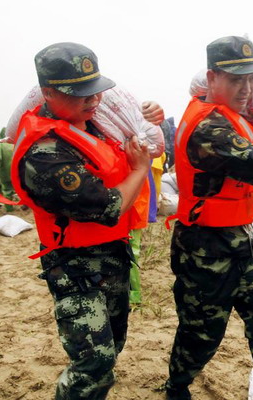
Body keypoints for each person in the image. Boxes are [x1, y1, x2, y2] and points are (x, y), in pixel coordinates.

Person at [11, 42, 150, 399]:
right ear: (47, 92)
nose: (92, 101)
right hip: (74, 267)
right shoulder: (44, 153)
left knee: (113, 345)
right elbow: (108, 206)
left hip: (113, 257)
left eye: (95, 91)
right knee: (94, 364)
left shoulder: (96, 126)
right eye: (79, 94)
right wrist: (140, 169)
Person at [164, 36, 253, 400]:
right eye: (236, 79)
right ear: (211, 78)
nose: (247, 88)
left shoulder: (233, 120)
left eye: (251, 80)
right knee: (201, 335)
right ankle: (177, 386)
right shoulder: (208, 128)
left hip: (242, 240)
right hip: (204, 249)